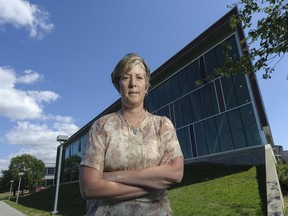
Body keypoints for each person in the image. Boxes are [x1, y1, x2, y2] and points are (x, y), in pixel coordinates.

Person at [79, 53, 184, 216]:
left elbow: (175, 174)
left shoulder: (163, 125)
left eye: (139, 78)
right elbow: (89, 187)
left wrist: (110, 176)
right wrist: (154, 184)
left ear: (147, 86)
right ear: (118, 85)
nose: (133, 84)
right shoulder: (101, 127)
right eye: (126, 77)